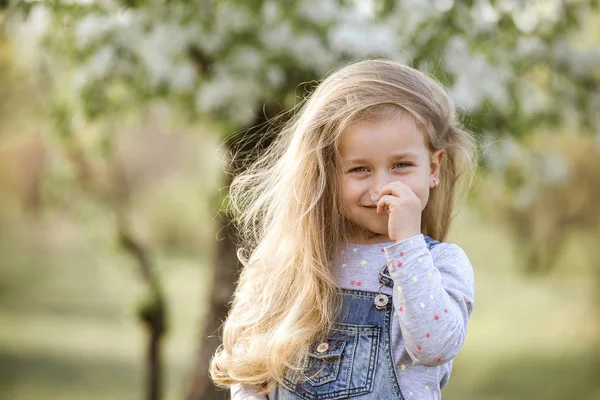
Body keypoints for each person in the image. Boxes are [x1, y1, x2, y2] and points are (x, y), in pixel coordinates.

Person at [209, 59, 477, 400]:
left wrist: (408, 244)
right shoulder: (295, 261)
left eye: (402, 165)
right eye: (360, 169)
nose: (381, 188)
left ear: (433, 167)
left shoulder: (441, 264)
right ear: (328, 175)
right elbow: (253, 372)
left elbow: (435, 346)